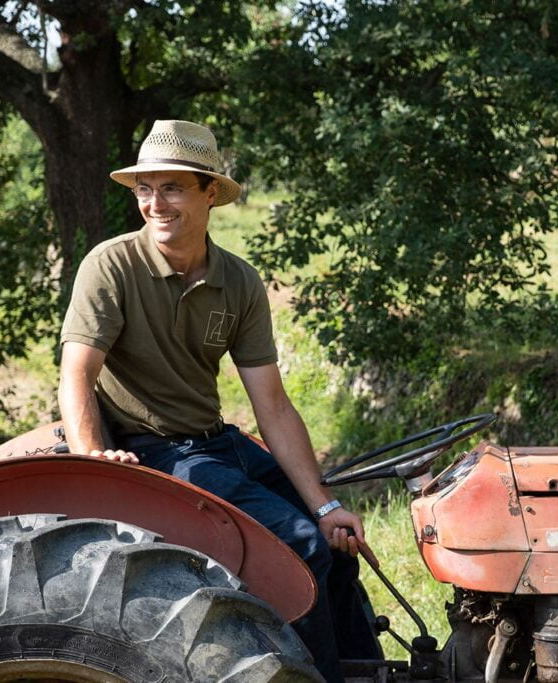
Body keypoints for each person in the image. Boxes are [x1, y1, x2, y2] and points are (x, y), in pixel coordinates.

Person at [57, 119, 381, 682]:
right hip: (151, 449)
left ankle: (371, 672)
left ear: (211, 193)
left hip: (213, 441)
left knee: (333, 539)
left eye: (173, 187)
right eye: (145, 189)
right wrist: (93, 456)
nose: (156, 204)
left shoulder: (239, 281)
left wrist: (327, 505)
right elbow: (77, 373)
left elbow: (273, 405)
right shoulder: (110, 265)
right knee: (298, 547)